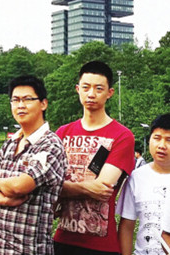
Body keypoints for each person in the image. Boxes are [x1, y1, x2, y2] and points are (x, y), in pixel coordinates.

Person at [0, 75, 67, 254]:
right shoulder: (10, 143)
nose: (20, 105)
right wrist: (4, 199)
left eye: (27, 99)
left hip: (27, 248)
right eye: (15, 100)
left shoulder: (50, 145)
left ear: (43, 104)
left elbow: (19, 187)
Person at [54, 61, 135, 255]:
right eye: (86, 87)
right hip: (62, 240)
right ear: (77, 89)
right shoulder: (62, 133)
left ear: (110, 93)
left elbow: (102, 188)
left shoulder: (122, 136)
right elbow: (48, 186)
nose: (91, 94)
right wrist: (84, 188)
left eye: (99, 89)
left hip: (101, 246)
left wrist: (61, 187)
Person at [117, 113, 170, 255]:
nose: (162, 145)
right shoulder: (137, 177)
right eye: (157, 138)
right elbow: (127, 226)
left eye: (169, 140)